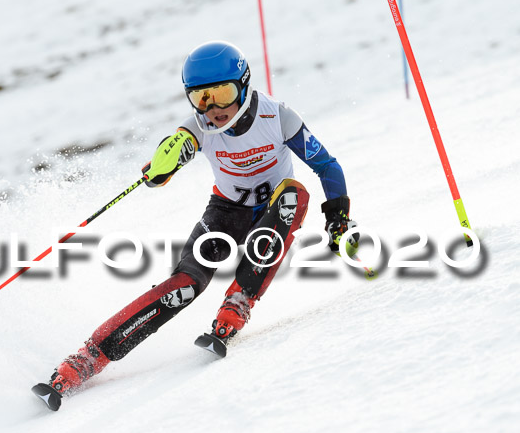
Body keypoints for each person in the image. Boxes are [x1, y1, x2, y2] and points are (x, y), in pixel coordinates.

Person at [32, 41, 357, 411]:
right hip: (225, 213)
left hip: (270, 210)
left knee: (293, 195)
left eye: (222, 94)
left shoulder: (278, 117)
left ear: (245, 85)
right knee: (183, 287)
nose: (214, 109)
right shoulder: (197, 128)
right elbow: (167, 159)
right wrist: (160, 166)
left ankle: (238, 302)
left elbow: (327, 166)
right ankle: (86, 359)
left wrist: (338, 217)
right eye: (202, 99)